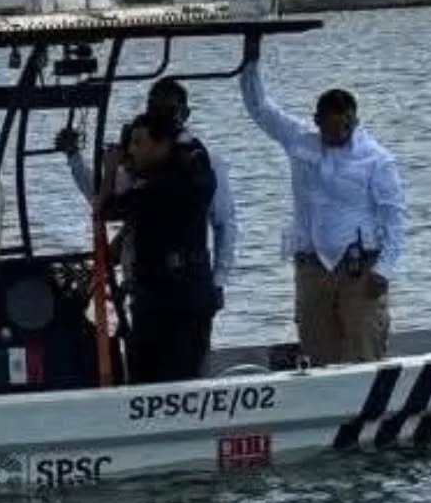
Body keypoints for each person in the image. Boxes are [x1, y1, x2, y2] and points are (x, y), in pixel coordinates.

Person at [240, 52, 405, 365]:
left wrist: (386, 268)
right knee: (317, 352)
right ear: (317, 121)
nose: (338, 134)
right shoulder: (299, 139)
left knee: (364, 347)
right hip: (312, 267)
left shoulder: (376, 159)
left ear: (355, 120)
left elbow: (394, 217)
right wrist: (251, 60)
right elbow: (260, 107)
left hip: (360, 269)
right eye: (330, 128)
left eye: (346, 126)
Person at [58, 76, 237, 307]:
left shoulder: (203, 164)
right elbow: (102, 196)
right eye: (154, 109)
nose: (160, 116)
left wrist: (219, 280)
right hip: (146, 282)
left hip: (188, 279)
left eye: (168, 110)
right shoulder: (140, 164)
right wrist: (76, 157)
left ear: (185, 113)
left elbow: (225, 222)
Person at [99, 112, 217, 384]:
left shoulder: (159, 188)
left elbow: (105, 209)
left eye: (139, 143)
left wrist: (110, 170)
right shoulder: (196, 175)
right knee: (177, 375)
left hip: (171, 300)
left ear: (162, 145)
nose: (131, 151)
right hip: (177, 292)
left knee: (161, 379)